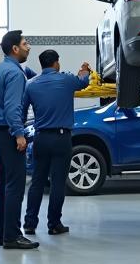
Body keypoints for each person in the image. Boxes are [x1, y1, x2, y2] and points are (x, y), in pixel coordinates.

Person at [23, 50, 91, 236]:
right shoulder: (66, 79)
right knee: (58, 182)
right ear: (56, 63)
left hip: (41, 138)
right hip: (61, 138)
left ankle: (29, 223)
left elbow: (22, 112)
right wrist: (85, 69)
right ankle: (54, 224)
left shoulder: (30, 84)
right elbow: (83, 82)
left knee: (37, 182)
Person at [0, 30, 38, 250]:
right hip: (9, 135)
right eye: (25, 44)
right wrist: (19, 133)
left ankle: (3, 234)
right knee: (15, 187)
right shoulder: (15, 74)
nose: (29, 47)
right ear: (15, 49)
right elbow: (12, 107)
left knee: (7, 187)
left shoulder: (0, 69)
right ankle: (13, 236)